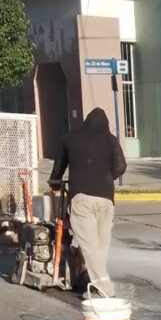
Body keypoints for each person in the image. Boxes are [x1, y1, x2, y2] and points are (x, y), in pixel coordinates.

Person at [49, 107, 127, 297]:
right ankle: (95, 283)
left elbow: (57, 170)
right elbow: (121, 166)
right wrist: (107, 177)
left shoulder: (70, 138)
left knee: (90, 245)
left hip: (81, 199)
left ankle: (103, 288)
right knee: (101, 245)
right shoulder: (110, 140)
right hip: (106, 200)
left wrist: (56, 185)